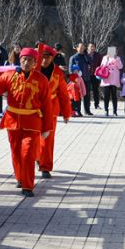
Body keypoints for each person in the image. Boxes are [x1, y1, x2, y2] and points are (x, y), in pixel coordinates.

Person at [0, 48, 50, 196]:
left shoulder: (41, 80)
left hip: (32, 122)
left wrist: (47, 127)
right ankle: (20, 178)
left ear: (35, 63)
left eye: (30, 60)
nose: (26, 62)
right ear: (20, 60)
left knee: (28, 153)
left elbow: (47, 105)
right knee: (16, 152)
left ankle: (28, 186)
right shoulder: (9, 75)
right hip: (12, 121)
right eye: (24, 59)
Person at [37, 45, 72, 178]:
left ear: (52, 58)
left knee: (48, 139)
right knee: (34, 137)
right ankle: (36, 157)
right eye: (43, 57)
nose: (45, 60)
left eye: (48, 57)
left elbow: (63, 94)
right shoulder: (34, 68)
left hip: (51, 108)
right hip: (33, 107)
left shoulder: (57, 73)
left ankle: (45, 167)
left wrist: (67, 113)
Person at [99, 46, 123, 117]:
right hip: (107, 79)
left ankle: (115, 111)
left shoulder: (118, 58)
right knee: (106, 96)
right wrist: (107, 58)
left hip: (114, 79)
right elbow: (102, 66)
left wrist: (115, 59)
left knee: (114, 96)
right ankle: (106, 110)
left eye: (114, 51)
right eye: (111, 51)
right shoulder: (105, 57)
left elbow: (120, 67)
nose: (112, 52)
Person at [86, 42, 103, 111]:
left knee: (96, 90)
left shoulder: (98, 55)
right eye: (90, 46)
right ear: (88, 47)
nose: (92, 48)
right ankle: (87, 104)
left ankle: (97, 104)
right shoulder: (85, 54)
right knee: (87, 90)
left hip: (95, 75)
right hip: (86, 74)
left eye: (93, 47)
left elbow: (100, 64)